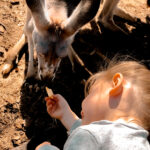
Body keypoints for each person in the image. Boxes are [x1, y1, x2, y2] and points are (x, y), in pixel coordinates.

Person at [36, 60, 150, 150]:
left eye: (90, 93)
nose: (81, 112)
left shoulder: (88, 136)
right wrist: (65, 114)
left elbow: (90, 135)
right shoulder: (141, 144)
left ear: (115, 84)